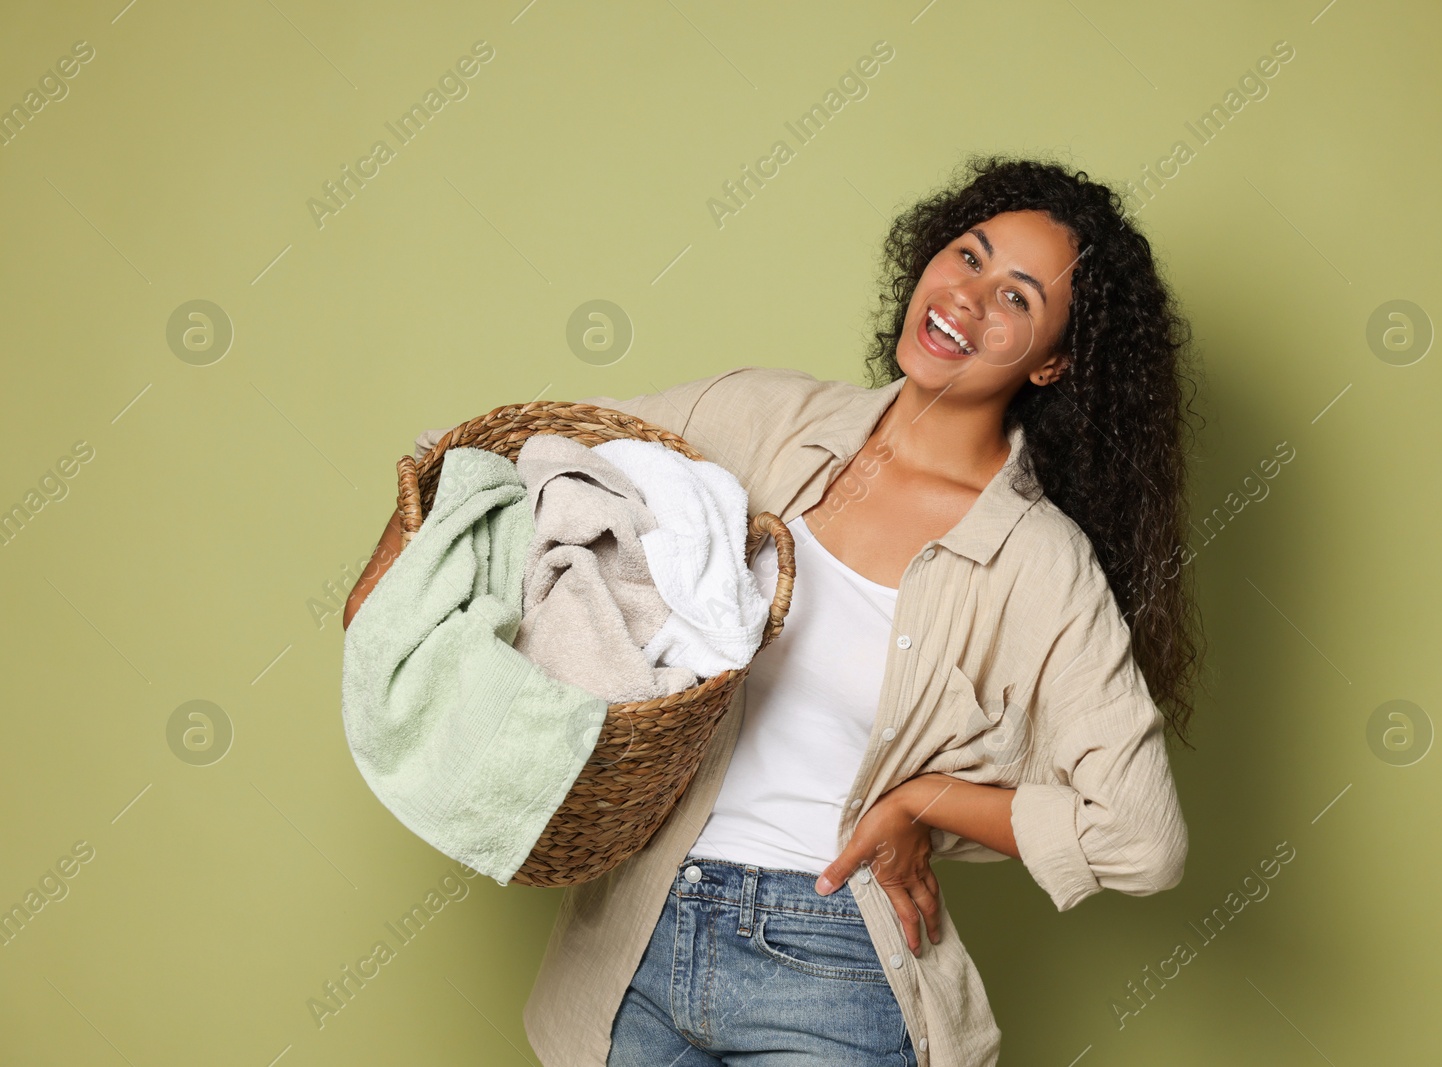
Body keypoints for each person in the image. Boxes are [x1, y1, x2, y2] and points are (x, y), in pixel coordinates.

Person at [347, 154, 1201, 1067]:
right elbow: (527, 450)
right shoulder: (768, 415)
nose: (970, 298)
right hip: (632, 942)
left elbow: (1141, 836)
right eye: (968, 256)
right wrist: (388, 583)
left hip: (830, 963)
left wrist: (926, 801)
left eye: (1019, 298)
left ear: (1053, 362)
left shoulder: (1038, 561)